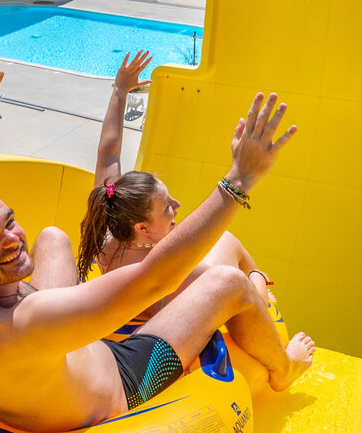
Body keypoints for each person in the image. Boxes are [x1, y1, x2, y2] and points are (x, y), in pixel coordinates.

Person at [0, 40, 314, 433]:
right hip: (122, 378)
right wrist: (239, 180)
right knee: (228, 282)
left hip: (52, 360)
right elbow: (156, 279)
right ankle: (285, 368)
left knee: (54, 237)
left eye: (9, 222)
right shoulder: (27, 321)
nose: (11, 239)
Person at [77, 52, 280, 317]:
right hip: (167, 310)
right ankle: (261, 280)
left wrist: (120, 90)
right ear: (142, 228)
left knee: (225, 244)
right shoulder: (167, 268)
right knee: (230, 246)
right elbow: (237, 297)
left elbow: (109, 152)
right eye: (166, 207)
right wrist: (256, 280)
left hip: (140, 298)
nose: (177, 205)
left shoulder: (111, 222)